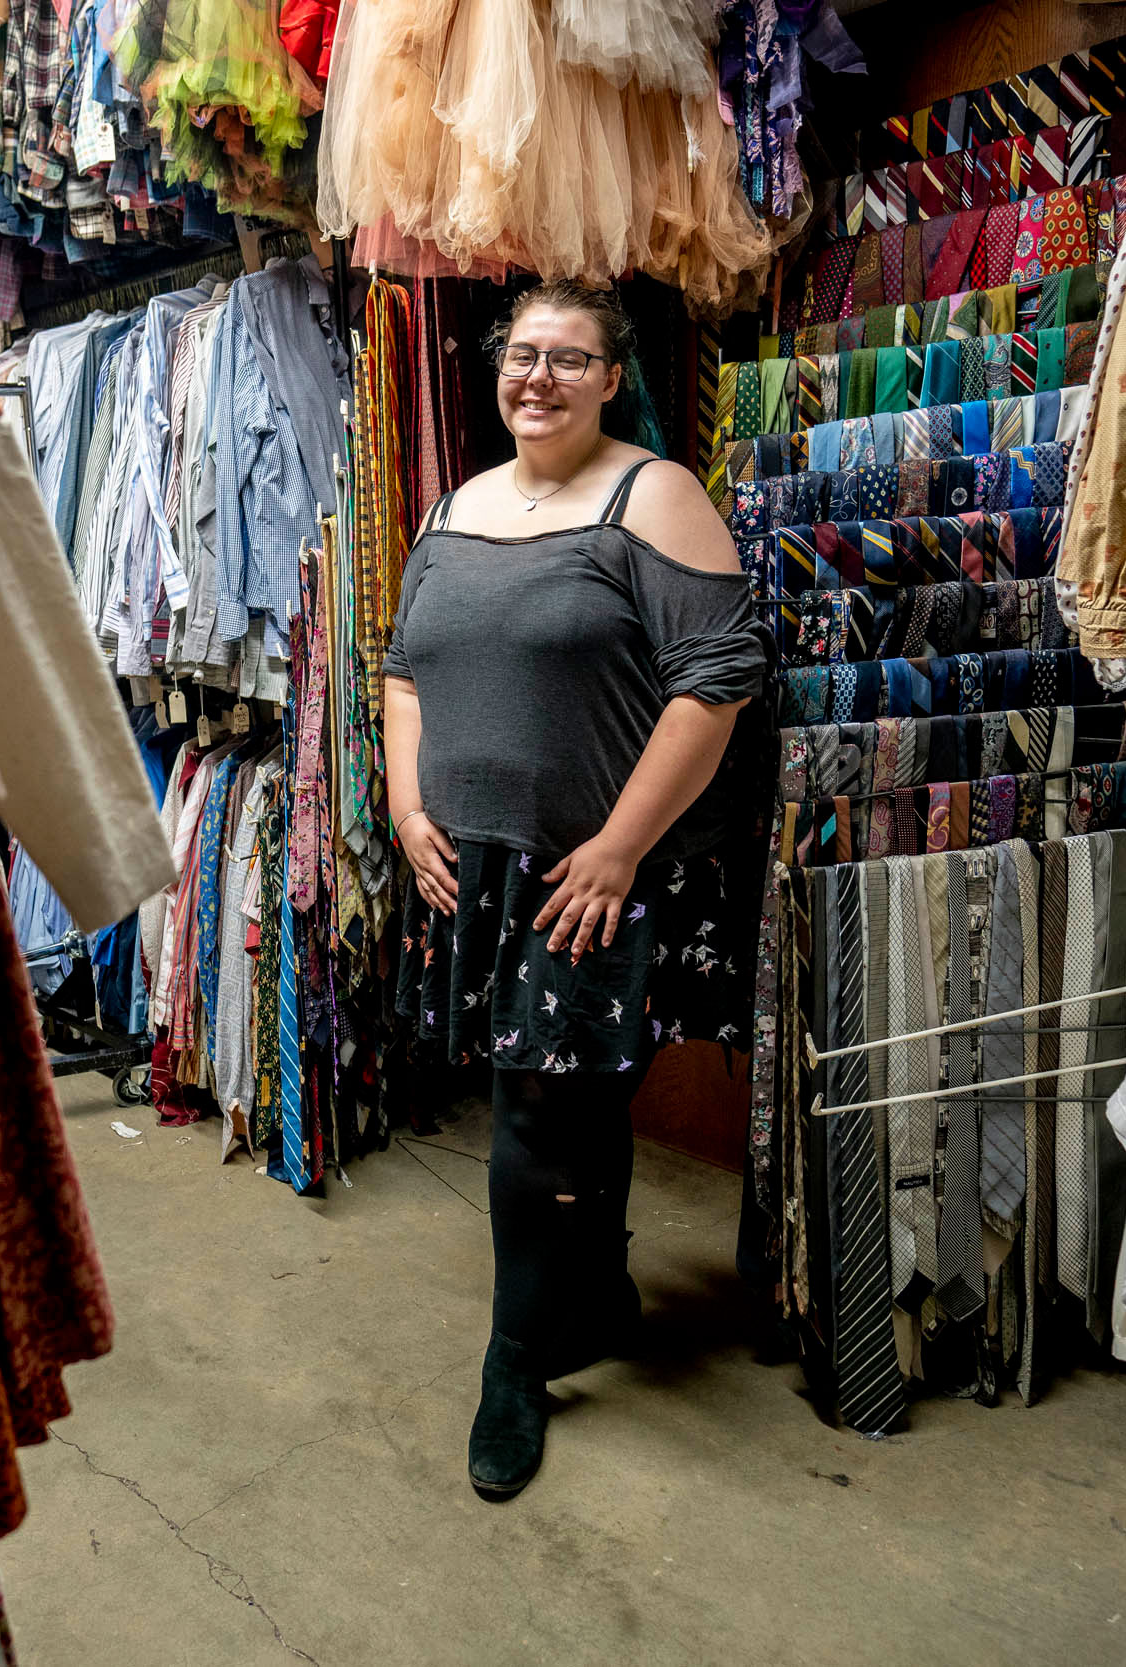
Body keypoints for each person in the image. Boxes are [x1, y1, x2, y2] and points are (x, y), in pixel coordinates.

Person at [381, 280, 774, 1502]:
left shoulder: (649, 492)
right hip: (470, 867)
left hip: (586, 874)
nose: (536, 376)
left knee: (536, 1116)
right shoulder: (454, 506)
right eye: (520, 354)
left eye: (569, 357)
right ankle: (595, 1283)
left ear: (614, 375)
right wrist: (403, 807)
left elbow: (717, 680)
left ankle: (513, 1363)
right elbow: (403, 672)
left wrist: (616, 845)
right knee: (575, 1093)